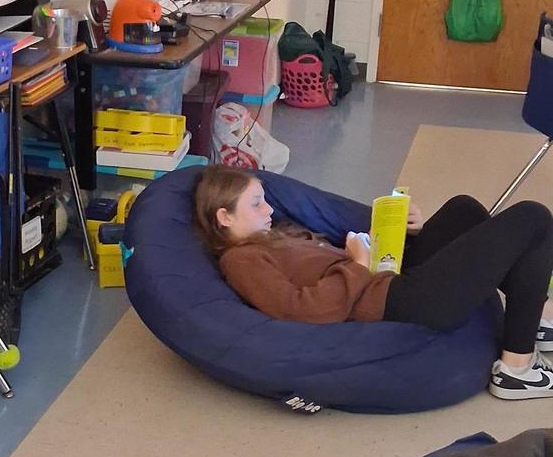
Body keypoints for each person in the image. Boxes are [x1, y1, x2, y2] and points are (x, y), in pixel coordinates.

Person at [194, 165, 553, 401]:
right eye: (256, 204)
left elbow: (332, 264)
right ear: (224, 216)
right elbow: (302, 310)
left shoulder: (271, 237)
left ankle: (532, 315)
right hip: (396, 303)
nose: (269, 210)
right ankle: (516, 370)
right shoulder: (242, 260)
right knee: (532, 218)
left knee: (465, 209)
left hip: (384, 277)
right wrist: (358, 264)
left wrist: (394, 233)